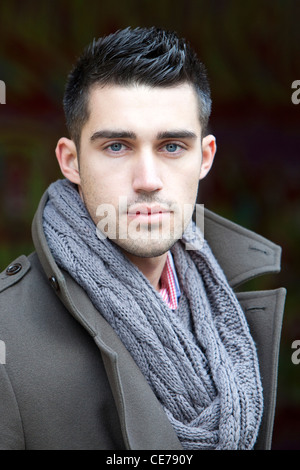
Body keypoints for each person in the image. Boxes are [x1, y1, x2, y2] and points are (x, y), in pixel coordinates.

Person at [0, 27, 286, 451]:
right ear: (71, 161)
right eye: (117, 146)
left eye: (172, 147)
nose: (148, 181)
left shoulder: (231, 308)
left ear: (204, 158)